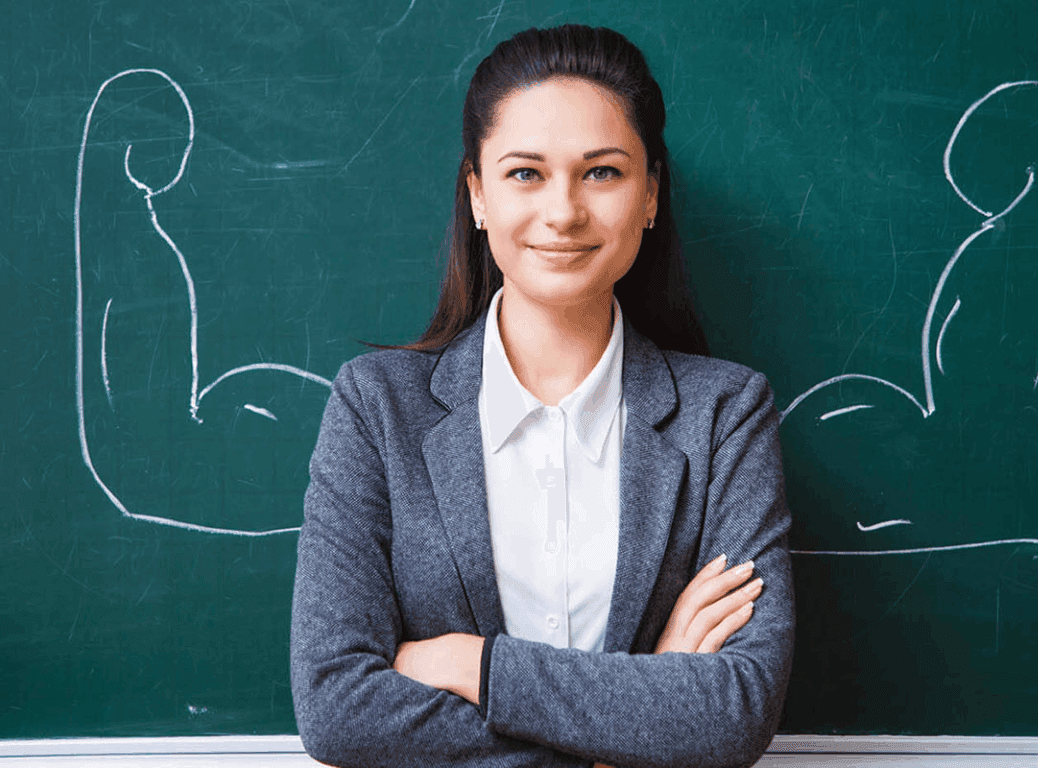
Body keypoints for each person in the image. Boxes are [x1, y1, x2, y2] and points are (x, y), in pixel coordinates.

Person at [290, 23, 794, 768]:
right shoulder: (377, 409)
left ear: (651, 194)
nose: (563, 212)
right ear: (477, 195)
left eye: (603, 173)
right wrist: (635, 720)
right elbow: (337, 709)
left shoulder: (726, 416)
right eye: (525, 173)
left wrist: (471, 664)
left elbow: (734, 714)